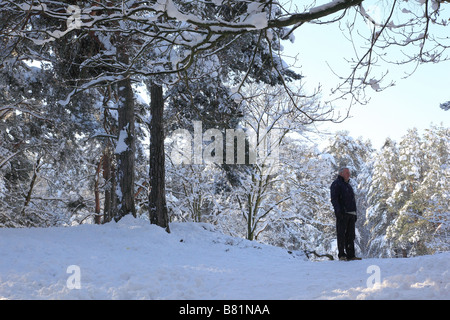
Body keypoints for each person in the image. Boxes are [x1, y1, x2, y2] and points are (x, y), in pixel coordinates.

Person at [330, 167, 361, 261]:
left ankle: (351, 255)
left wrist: (355, 213)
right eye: (347, 173)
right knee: (341, 234)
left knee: (351, 235)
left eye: (349, 173)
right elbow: (334, 199)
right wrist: (338, 211)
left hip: (351, 213)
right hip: (342, 213)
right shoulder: (336, 184)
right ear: (341, 173)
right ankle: (342, 255)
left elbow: (352, 201)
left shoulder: (348, 185)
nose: (349, 174)